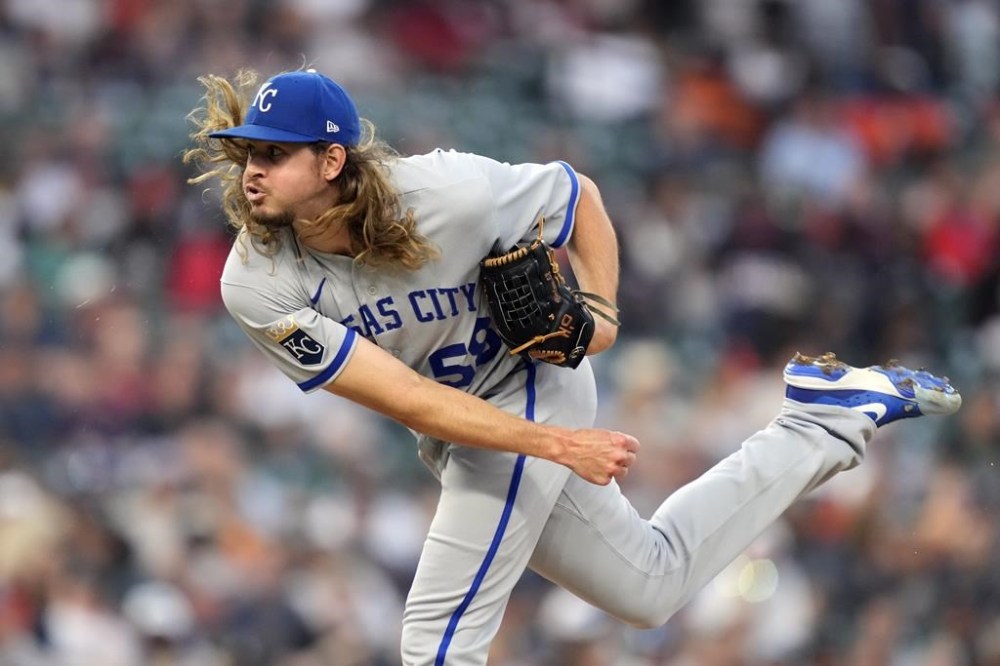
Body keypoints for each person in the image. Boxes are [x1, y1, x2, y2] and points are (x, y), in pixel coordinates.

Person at [184, 68, 962, 665]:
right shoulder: (255, 281)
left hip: (533, 384)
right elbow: (411, 401)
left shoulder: (447, 193)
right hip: (474, 424)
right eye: (247, 152)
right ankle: (820, 421)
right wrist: (557, 448)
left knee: (437, 638)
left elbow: (576, 196)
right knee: (648, 586)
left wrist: (604, 316)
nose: (252, 170)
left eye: (274, 154)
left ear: (331, 160)